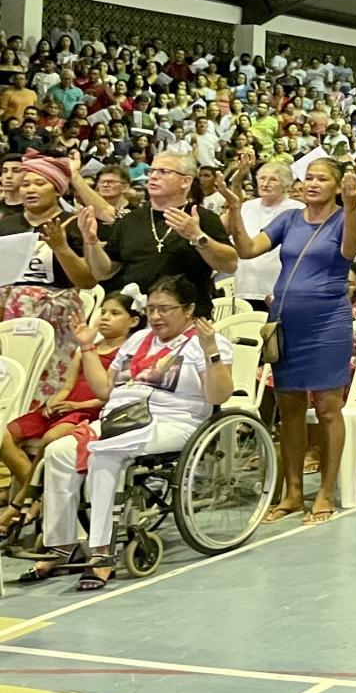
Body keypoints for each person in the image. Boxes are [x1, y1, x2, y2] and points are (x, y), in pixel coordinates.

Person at [22, 276, 233, 590]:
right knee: (58, 451)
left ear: (188, 309)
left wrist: (211, 350)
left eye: (165, 309)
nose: (156, 316)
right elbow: (105, 389)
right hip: (120, 417)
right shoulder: (137, 341)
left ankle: (102, 553)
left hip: (174, 420)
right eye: (151, 309)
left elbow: (218, 397)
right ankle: (62, 546)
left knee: (104, 453)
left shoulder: (206, 342)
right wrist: (87, 347)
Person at [220, 159, 356, 525]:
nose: (312, 184)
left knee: (328, 407)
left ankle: (325, 493)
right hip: (285, 323)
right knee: (289, 407)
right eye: (308, 177)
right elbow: (248, 249)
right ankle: (292, 492)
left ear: (336, 185)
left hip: (327, 323)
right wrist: (235, 210)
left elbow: (349, 251)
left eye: (321, 178)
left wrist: (353, 205)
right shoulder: (290, 219)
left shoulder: (344, 218)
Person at [0, 290, 137, 543]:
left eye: (115, 313)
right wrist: (57, 400)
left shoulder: (128, 353)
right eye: (103, 312)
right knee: (5, 436)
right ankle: (39, 497)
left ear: (133, 321)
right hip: (67, 406)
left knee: (51, 438)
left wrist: (77, 404)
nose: (105, 318)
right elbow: (66, 385)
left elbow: (112, 395)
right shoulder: (86, 349)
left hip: (89, 410)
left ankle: (19, 503)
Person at [82, 150, 235, 316]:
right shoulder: (130, 220)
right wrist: (91, 242)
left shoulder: (201, 217)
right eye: (151, 171)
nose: (153, 176)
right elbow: (103, 272)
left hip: (186, 317)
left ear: (185, 181)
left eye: (163, 172)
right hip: (134, 317)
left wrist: (197, 236)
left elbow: (230, 264)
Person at [0, 155, 97, 405]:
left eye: (39, 183)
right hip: (8, 312)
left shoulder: (74, 224)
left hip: (57, 316)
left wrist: (61, 248)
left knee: (47, 381)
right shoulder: (8, 224)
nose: (30, 189)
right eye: (25, 184)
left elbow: (87, 280)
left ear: (57, 189)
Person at [230, 157, 300, 312]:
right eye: (262, 178)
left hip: (279, 288)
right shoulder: (246, 207)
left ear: (286, 185)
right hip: (245, 286)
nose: (265, 183)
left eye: (273, 179)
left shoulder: (298, 210)